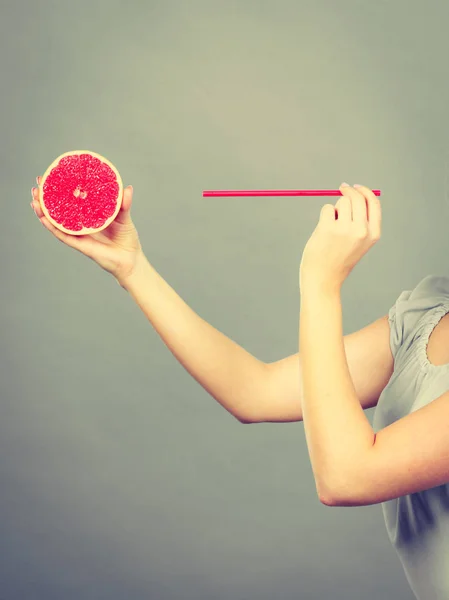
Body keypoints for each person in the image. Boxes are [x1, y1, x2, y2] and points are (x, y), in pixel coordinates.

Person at [30, 179, 449, 600]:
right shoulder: (427, 314)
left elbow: (345, 477)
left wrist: (320, 286)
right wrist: (133, 269)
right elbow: (255, 390)